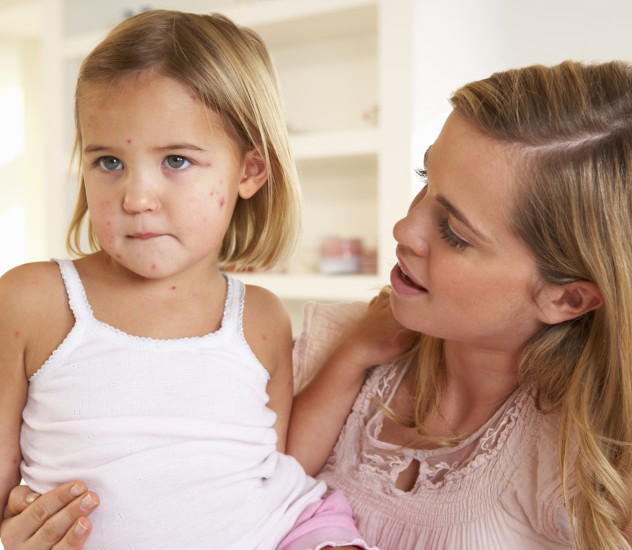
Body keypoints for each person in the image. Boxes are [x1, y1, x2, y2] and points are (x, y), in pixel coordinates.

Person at [4, 60, 632, 549]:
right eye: (423, 182)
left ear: (569, 295)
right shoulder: (320, 344)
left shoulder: (630, 458)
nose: (403, 230)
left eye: (457, 233)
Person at [0, 9, 373, 550]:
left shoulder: (261, 317)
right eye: (108, 162)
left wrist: (357, 350)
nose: (136, 197)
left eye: (175, 159)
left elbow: (274, 467)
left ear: (249, 171)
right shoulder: (33, 300)